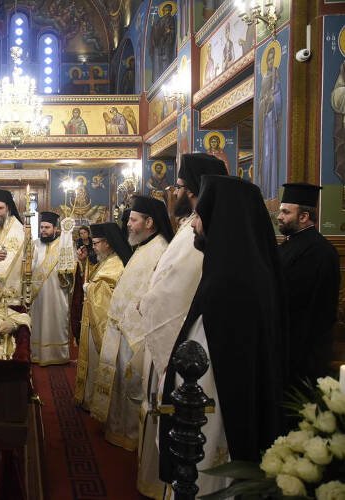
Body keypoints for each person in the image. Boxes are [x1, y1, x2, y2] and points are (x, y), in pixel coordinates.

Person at [159, 175, 286, 496]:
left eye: (200, 216)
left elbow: (223, 362)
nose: (193, 224)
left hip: (214, 413)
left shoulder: (232, 282)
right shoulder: (235, 268)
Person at [133, 153, 226, 499]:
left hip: (190, 341)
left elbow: (177, 287)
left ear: (195, 189)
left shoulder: (198, 229)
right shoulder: (190, 225)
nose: (175, 192)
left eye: (181, 186)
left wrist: (148, 304)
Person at [91, 195, 173, 451]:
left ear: (149, 222)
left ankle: (131, 435)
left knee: (132, 387)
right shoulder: (143, 246)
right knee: (121, 384)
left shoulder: (160, 249)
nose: (128, 224)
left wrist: (128, 323)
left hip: (136, 333)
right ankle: (118, 429)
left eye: (134, 220)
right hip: (122, 329)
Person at [277, 183, 340, 385]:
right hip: (289, 342)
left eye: (286, 212)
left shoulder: (318, 251)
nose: (279, 216)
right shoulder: (290, 244)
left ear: (304, 217)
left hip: (303, 350)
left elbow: (296, 300)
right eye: (280, 211)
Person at [74, 222, 132, 410]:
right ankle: (88, 398)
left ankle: (94, 401)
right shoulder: (107, 260)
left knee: (96, 361)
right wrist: (84, 263)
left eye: (96, 243)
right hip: (93, 318)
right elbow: (94, 277)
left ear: (107, 243)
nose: (94, 247)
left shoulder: (116, 263)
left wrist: (89, 289)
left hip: (102, 322)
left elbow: (105, 290)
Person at [29, 211, 74, 365]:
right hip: (38, 295)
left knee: (57, 321)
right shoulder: (35, 244)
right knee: (37, 322)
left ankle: (57, 355)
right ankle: (36, 354)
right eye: (41, 227)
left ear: (55, 229)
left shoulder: (64, 245)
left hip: (57, 293)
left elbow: (71, 268)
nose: (43, 230)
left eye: (47, 227)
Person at [258, 45, 282, 200]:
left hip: (272, 120)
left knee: (271, 155)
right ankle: (266, 193)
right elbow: (260, 100)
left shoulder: (276, 76)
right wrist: (264, 101)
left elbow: (279, 96)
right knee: (265, 156)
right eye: (269, 59)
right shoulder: (265, 77)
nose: (271, 61)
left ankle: (273, 194)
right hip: (265, 121)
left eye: (273, 59)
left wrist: (274, 99)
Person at [71, 225, 96, 342]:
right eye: (80, 233)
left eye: (84, 233)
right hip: (82, 270)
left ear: (88, 233)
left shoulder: (93, 243)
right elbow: (77, 258)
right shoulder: (78, 243)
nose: (82, 235)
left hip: (92, 269)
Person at [151, 3, 176, 80]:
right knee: (159, 59)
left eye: (168, 10)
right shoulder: (159, 20)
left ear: (170, 11)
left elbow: (172, 30)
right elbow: (157, 31)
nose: (166, 12)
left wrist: (169, 31)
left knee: (166, 58)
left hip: (167, 42)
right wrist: (154, 27)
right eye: (165, 10)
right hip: (160, 42)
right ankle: (159, 76)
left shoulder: (171, 19)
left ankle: (167, 75)